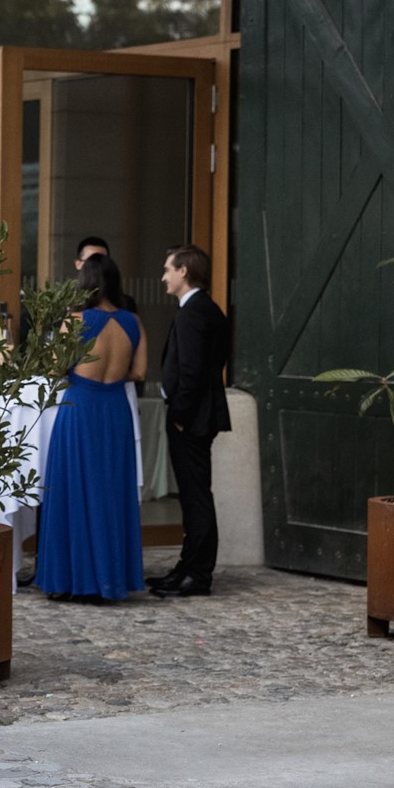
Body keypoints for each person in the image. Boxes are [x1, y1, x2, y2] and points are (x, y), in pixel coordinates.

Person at [34, 255, 146, 604]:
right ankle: (109, 580)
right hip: (115, 410)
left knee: (71, 488)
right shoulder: (133, 322)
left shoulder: (75, 321)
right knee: (111, 492)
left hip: (79, 407)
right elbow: (139, 373)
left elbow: (54, 368)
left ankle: (68, 580)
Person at [150, 245, 232, 598]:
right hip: (198, 416)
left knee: (195, 495)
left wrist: (180, 416)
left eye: (168, 269)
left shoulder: (193, 313)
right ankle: (188, 566)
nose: (164, 276)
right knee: (194, 494)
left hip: (191, 419)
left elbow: (192, 371)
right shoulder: (204, 310)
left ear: (183, 271)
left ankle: (197, 573)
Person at [74, 237, 139, 313]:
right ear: (78, 264)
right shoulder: (66, 302)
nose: (98, 267)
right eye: (92, 261)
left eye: (103, 261)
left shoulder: (126, 302)